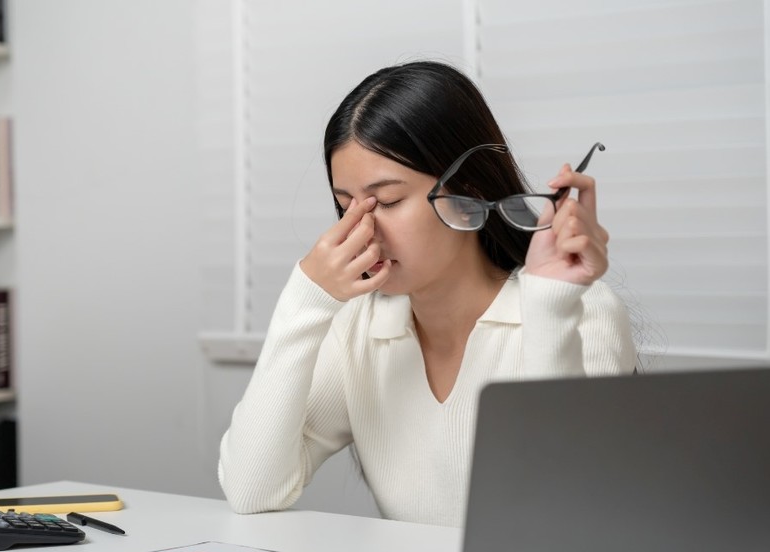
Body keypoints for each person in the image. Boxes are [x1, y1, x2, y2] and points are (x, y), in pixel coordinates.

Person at [218, 60, 637, 528]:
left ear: (467, 197)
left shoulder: (579, 311)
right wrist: (307, 299)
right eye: (344, 205)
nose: (360, 229)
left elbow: (563, 518)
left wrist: (551, 305)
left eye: (388, 201)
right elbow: (252, 489)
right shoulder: (358, 327)